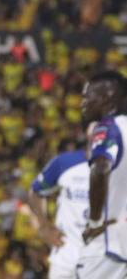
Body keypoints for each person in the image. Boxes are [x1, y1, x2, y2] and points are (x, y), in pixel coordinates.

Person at [77, 70, 127, 279]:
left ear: (108, 97)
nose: (83, 104)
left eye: (88, 96)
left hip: (109, 242)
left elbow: (101, 168)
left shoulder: (108, 127)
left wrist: (95, 221)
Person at [27, 138, 90, 279]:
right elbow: (36, 191)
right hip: (66, 256)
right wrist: (44, 226)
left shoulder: (120, 168)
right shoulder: (65, 163)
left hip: (106, 260)